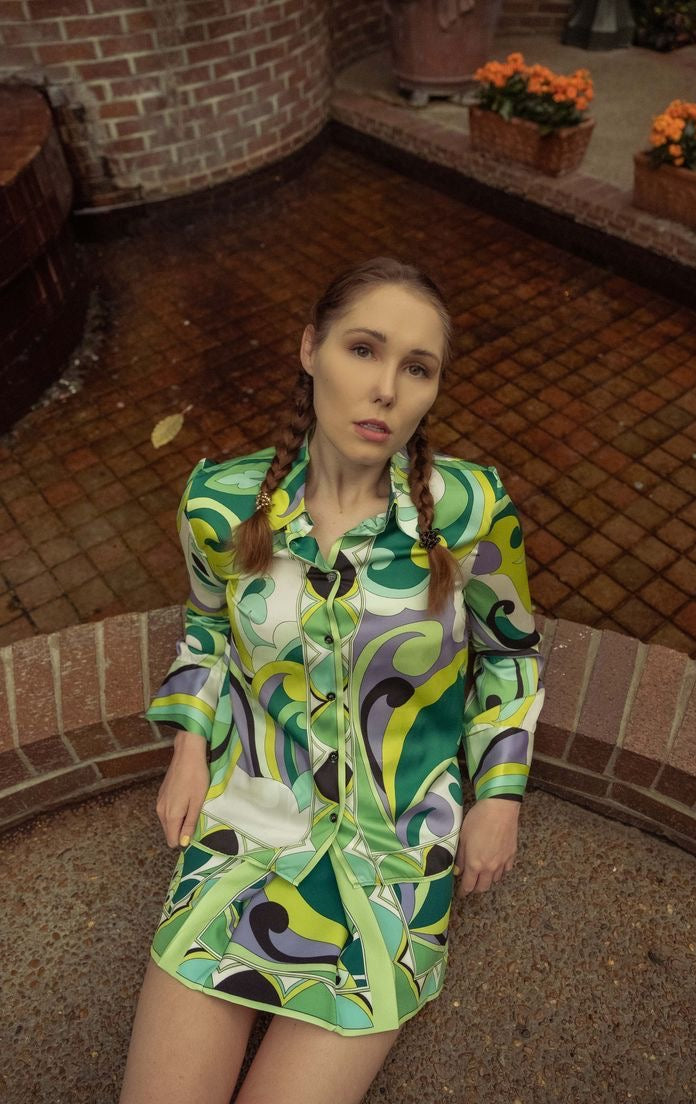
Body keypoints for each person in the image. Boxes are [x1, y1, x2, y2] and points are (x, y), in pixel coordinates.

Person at [119, 256, 545, 1104]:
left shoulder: (469, 509)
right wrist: (189, 746)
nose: (385, 388)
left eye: (417, 368)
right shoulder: (220, 503)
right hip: (245, 826)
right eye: (363, 349)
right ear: (310, 348)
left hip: (392, 857)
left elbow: (510, 652)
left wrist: (500, 796)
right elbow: (207, 625)